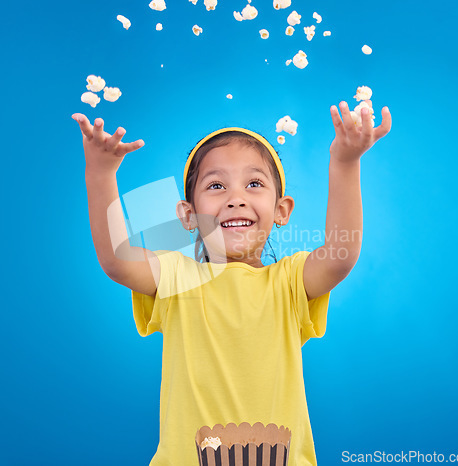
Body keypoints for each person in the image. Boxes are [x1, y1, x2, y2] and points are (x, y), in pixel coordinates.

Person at [72, 102, 392, 465]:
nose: (235, 198)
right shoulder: (178, 278)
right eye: (216, 186)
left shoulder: (288, 282)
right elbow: (117, 259)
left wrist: (346, 163)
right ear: (189, 215)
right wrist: (100, 173)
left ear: (282, 210)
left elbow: (340, 254)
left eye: (254, 184)